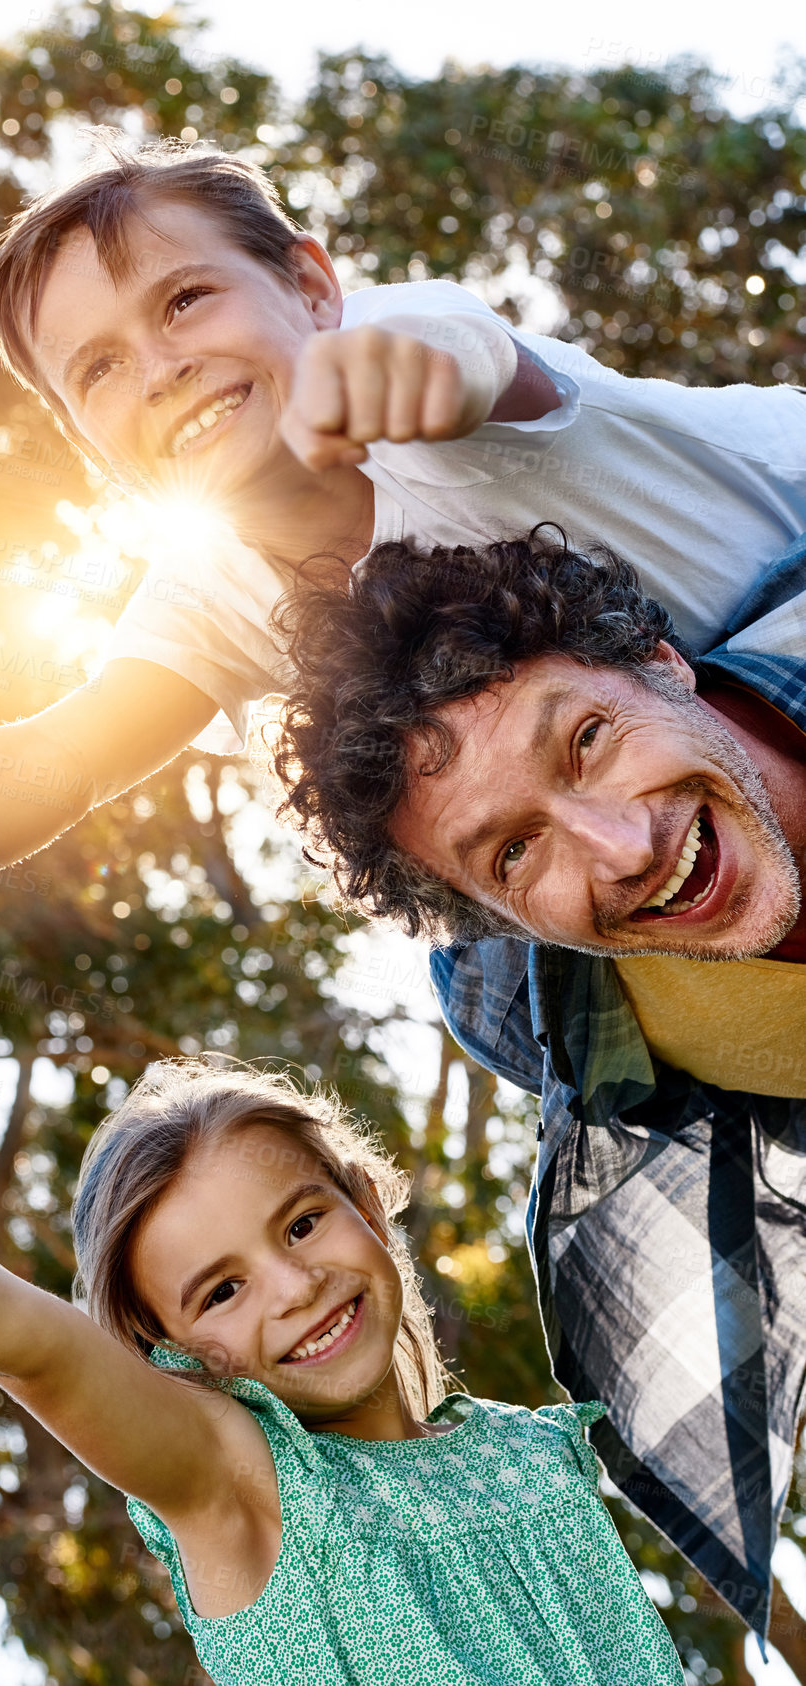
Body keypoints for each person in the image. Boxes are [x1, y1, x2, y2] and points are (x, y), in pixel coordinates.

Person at [0, 141, 806, 1003]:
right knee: (478, 960)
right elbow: (62, 751)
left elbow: (469, 350)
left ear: (310, 284)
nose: (161, 369)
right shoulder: (211, 591)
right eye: (100, 369)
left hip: (784, 566)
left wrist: (416, 381)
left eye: (186, 300)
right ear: (88, 445)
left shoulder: (405, 353)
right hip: (679, 738)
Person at [0, 1057, 684, 1685]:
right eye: (219, 1292)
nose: (291, 1285)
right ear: (177, 1360)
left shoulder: (531, 1452)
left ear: (368, 1210)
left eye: (300, 1222)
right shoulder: (244, 1484)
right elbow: (31, 1344)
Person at [275, 523, 806, 1638]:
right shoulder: (576, 1038)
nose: (619, 848)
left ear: (660, 662)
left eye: (590, 740)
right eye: (514, 854)